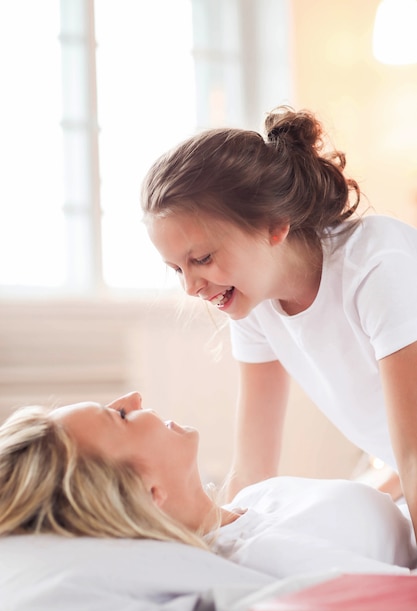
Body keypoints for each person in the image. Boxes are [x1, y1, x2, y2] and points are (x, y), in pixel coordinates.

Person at [141, 105, 417, 542]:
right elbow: (252, 472)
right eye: (178, 269)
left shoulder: (376, 265)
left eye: (203, 259)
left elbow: (415, 453)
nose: (192, 287)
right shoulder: (253, 300)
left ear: (274, 226)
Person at [0, 392, 416, 579]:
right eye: (119, 417)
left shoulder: (248, 503)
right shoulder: (266, 555)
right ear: (147, 492)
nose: (134, 397)